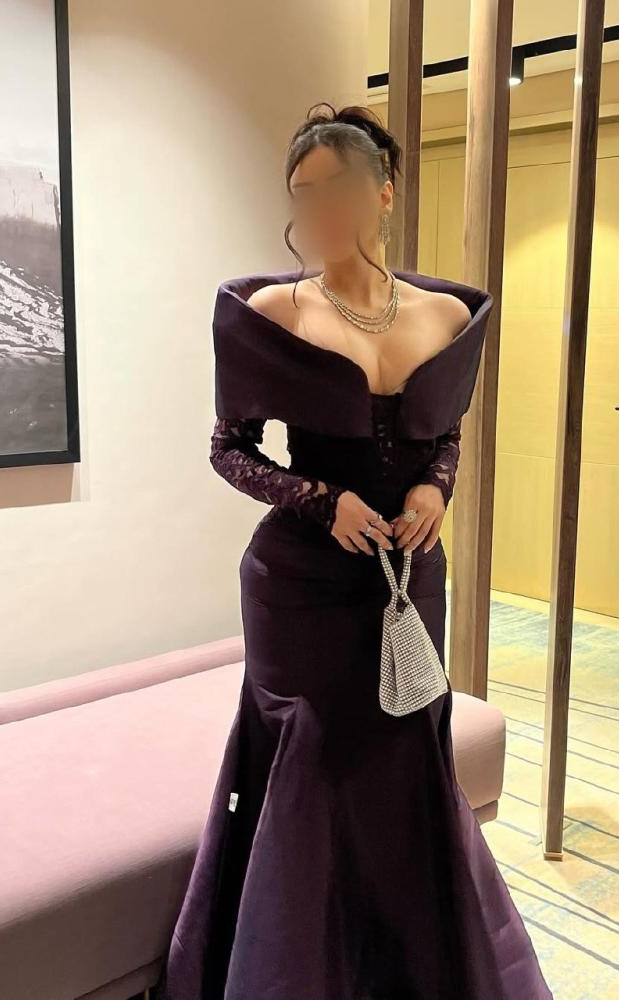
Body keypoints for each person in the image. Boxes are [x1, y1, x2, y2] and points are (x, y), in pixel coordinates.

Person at [157, 103, 552, 999]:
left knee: (408, 760)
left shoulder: (445, 314)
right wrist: (320, 499)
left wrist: (435, 487)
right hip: (299, 587)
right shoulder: (273, 312)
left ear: (384, 193)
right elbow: (229, 448)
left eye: (337, 187)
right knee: (313, 767)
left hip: (408, 581)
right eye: (304, 193)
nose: (321, 209)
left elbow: (443, 433)